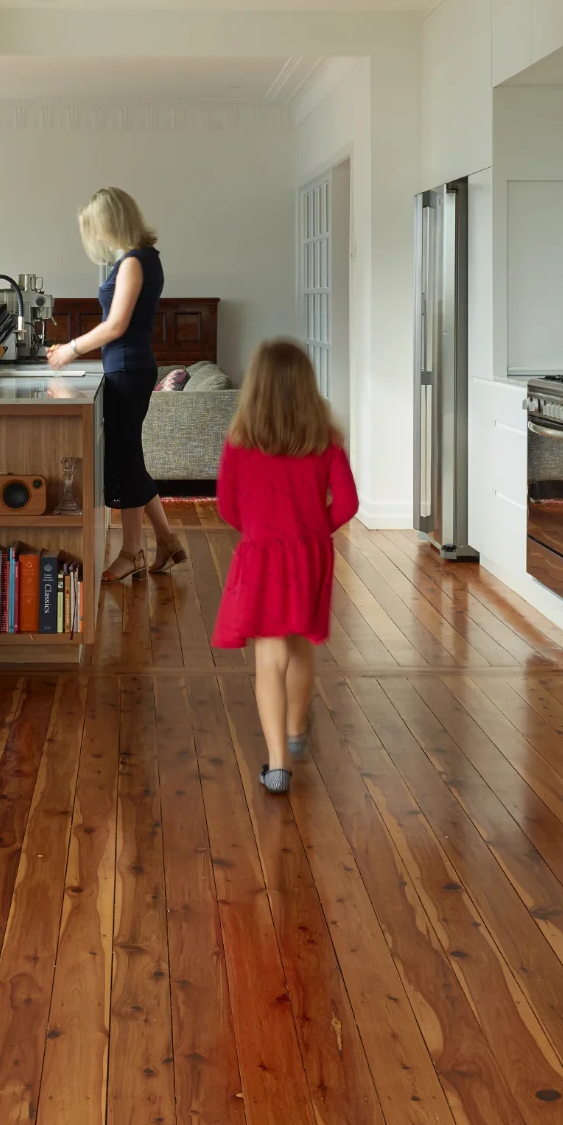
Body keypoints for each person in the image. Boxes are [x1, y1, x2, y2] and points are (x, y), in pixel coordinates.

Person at [211, 340, 359, 793]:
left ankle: (277, 765)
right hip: (309, 556)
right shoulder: (325, 441)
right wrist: (315, 529)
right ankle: (297, 730)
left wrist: (257, 529)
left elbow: (226, 507)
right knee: (301, 646)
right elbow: (349, 503)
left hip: (261, 557)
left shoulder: (240, 441)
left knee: (269, 657)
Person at [48, 186, 182, 581]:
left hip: (126, 369)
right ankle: (166, 541)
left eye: (97, 229)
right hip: (130, 367)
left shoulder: (133, 263)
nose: (97, 238)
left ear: (110, 222)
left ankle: (131, 552)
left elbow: (117, 324)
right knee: (130, 458)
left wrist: (72, 348)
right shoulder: (145, 259)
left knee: (125, 463)